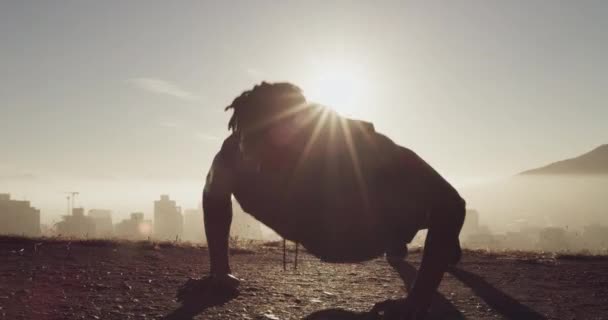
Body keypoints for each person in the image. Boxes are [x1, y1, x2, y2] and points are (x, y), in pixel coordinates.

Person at [202, 82, 465, 319]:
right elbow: (213, 196)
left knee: (416, 207)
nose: (259, 157)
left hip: (369, 233)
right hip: (318, 232)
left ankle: (412, 242)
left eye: (274, 142)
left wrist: (417, 303)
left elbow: (451, 204)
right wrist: (220, 272)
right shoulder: (232, 155)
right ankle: (424, 244)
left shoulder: (357, 143)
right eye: (250, 142)